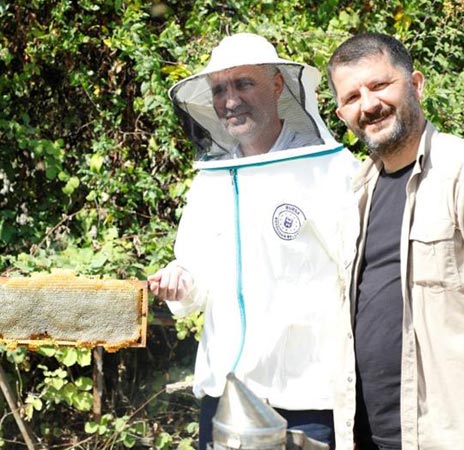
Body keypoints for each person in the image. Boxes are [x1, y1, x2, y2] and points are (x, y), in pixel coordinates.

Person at [148, 33, 360, 449]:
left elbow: (358, 280)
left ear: (277, 85)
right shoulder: (210, 180)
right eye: (219, 90)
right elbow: (194, 277)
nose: (230, 101)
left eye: (244, 83)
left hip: (308, 396)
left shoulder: (331, 171)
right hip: (224, 391)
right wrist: (177, 280)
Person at [326, 33, 464, 450]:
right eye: (352, 97)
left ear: (415, 85)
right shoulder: (357, 194)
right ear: (341, 112)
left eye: (380, 86)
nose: (368, 105)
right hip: (371, 438)